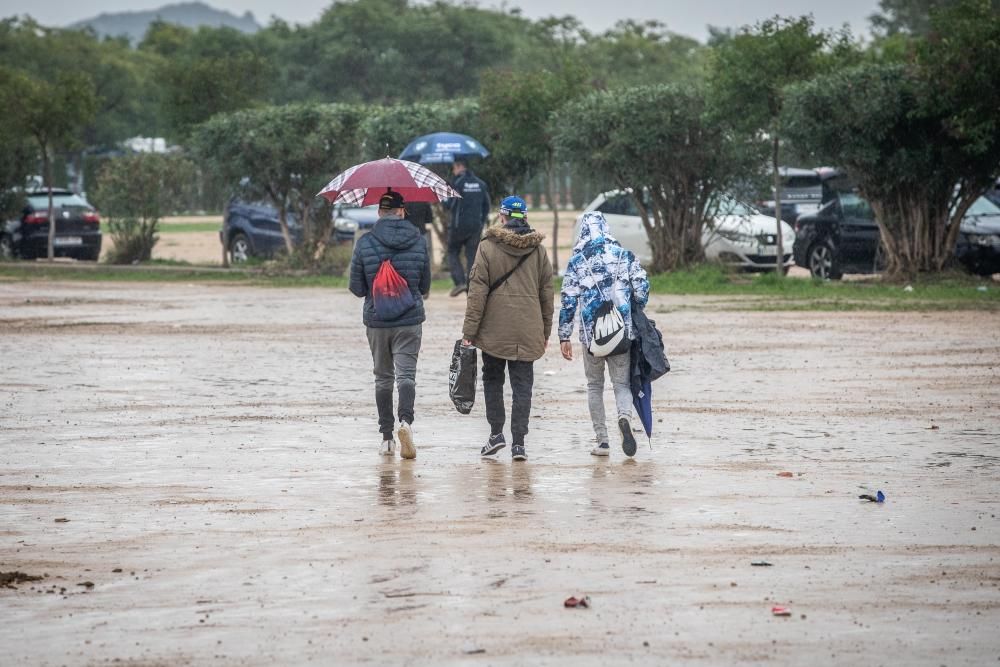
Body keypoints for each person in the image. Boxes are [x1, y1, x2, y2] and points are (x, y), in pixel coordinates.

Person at [462, 196, 553, 461]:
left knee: (493, 380)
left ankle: (495, 434)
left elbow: (476, 294)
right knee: (523, 385)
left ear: (502, 217)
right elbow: (547, 294)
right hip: (528, 328)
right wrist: (545, 331)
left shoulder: (487, 247)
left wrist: (469, 333)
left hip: (493, 330)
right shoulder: (539, 251)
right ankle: (519, 444)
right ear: (524, 217)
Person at [558, 211, 650, 458]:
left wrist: (564, 336)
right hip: (622, 334)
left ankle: (603, 442)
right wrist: (631, 304)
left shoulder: (577, 261)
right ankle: (623, 417)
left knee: (594, 386)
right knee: (621, 384)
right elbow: (641, 290)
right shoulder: (625, 255)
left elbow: (568, 301)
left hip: (592, 338)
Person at [349, 191, 431, 459]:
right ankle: (405, 423)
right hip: (409, 320)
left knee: (383, 378)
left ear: (379, 212)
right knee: (406, 376)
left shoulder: (365, 243)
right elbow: (425, 286)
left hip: (377, 320)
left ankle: (386, 438)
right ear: (402, 211)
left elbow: (357, 288)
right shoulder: (418, 241)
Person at [447, 158, 490, 297]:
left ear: (460, 167)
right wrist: (481, 222)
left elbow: (450, 205)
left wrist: (443, 199)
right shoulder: (481, 183)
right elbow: (486, 206)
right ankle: (471, 287)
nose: (453, 171)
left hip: (459, 226)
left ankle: (460, 282)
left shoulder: (458, 183)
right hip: (475, 227)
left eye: (454, 168)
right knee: (472, 256)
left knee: (452, 251)